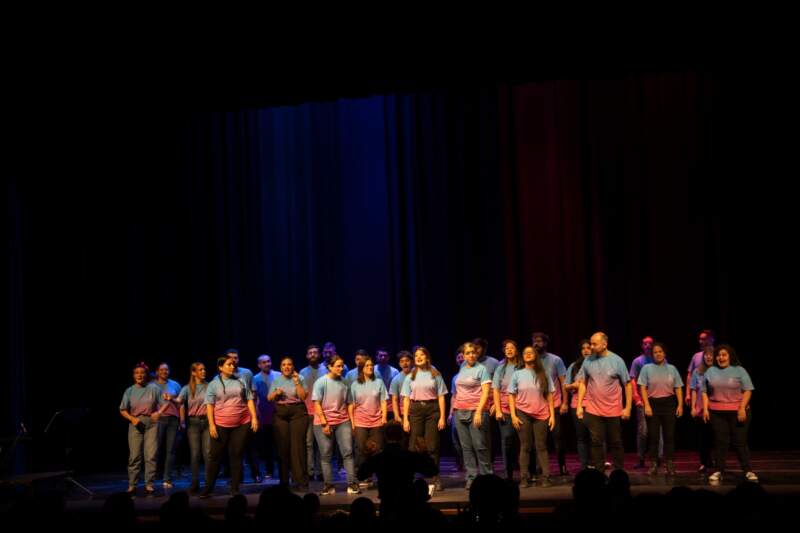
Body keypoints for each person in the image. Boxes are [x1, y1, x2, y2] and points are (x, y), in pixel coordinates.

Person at [200, 355, 258, 498]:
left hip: (241, 423)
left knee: (237, 455)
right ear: (220, 367)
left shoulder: (240, 380)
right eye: (229, 364)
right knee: (215, 457)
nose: (232, 366)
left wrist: (254, 418)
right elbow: (209, 405)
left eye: (233, 364)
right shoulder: (214, 384)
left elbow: (249, 399)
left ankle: (235, 488)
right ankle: (208, 489)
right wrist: (212, 425)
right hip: (221, 424)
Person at [357, 421, 438, 522]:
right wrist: (424, 453)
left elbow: (360, 475)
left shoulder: (379, 457)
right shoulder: (409, 456)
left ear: (385, 437)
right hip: (406, 506)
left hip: (387, 505)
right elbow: (432, 471)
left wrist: (368, 455)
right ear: (402, 437)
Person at [576, 332, 632, 471]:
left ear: (604, 344)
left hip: (613, 409)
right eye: (591, 343)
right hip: (593, 408)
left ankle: (619, 472)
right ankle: (599, 473)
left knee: (615, 442)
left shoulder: (617, 360)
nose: (591, 346)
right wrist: (579, 406)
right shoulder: (588, 360)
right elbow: (583, 383)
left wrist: (628, 407)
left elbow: (627, 384)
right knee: (596, 441)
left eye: (594, 344)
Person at [702, 344, 757, 483]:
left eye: (724, 355)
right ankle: (719, 470)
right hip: (717, 412)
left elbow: (748, 390)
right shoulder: (710, 371)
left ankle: (748, 470)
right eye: (719, 355)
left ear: (730, 356)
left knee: (740, 442)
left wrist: (742, 408)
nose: (721, 357)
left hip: (738, 412)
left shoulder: (739, 370)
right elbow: (704, 391)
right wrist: (706, 409)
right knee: (720, 442)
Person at [401, 345, 448, 491]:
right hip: (415, 411)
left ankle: (435, 477)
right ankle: (412, 476)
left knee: (432, 445)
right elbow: (406, 399)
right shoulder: (411, 375)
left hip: (432, 410)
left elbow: (441, 396)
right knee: (413, 445)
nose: (419, 358)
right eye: (416, 356)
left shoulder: (435, 373)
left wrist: (442, 417)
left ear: (427, 357)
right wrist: (405, 419)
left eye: (422, 355)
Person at [312, 355, 359, 495]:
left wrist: (352, 422)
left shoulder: (345, 382)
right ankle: (328, 485)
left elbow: (349, 403)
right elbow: (316, 404)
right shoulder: (321, 382)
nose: (341, 368)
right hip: (323, 421)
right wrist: (325, 423)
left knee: (348, 452)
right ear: (330, 367)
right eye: (338, 365)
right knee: (326, 454)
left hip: (342, 421)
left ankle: (352, 483)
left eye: (342, 365)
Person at [508, 346, 555, 487]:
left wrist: (552, 415)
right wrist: (513, 416)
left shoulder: (544, 373)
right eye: (525, 353)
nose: (528, 354)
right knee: (525, 446)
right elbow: (511, 396)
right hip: (523, 413)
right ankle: (524, 477)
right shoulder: (517, 374)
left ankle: (545, 477)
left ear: (535, 355)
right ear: (522, 357)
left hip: (541, 414)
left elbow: (550, 396)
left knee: (541, 446)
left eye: (531, 352)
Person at [119, 362, 167, 495]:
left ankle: (149, 484)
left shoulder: (154, 388)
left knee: (151, 455)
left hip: (151, 423)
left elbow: (165, 403)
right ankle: (132, 484)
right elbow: (122, 410)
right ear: (133, 375)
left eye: (142, 372)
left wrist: (158, 412)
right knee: (134, 456)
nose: (139, 375)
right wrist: (132, 418)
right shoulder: (129, 390)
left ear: (146, 374)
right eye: (136, 373)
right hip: (135, 423)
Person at [637, 342, 683, 475]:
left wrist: (680, 405)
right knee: (653, 436)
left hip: (668, 404)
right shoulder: (646, 368)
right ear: (652, 354)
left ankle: (669, 464)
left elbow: (678, 387)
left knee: (669, 436)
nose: (658, 354)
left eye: (660, 351)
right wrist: (647, 405)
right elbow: (642, 387)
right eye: (655, 352)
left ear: (665, 353)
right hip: (653, 404)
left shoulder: (672, 368)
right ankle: (654, 464)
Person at [452, 342, 492, 490]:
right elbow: (457, 392)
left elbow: (486, 392)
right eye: (468, 353)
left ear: (477, 354)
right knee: (466, 448)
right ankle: (471, 477)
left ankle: (487, 477)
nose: (471, 355)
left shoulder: (482, 369)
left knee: (480, 445)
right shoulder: (462, 368)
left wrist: (479, 411)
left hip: (476, 411)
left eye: (473, 353)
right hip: (460, 410)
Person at [268, 356, 309, 491]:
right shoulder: (277, 380)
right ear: (280, 368)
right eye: (284, 364)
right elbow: (269, 398)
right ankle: (284, 482)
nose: (287, 367)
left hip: (298, 413)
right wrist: (276, 392)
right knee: (282, 448)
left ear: (293, 366)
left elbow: (303, 397)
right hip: (281, 413)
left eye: (289, 364)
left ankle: (301, 482)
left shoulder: (300, 378)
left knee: (298, 448)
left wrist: (297, 382)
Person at [532, 332, 569, 476]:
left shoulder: (555, 360)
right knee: (538, 440)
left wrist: (565, 402)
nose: (536, 343)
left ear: (545, 344)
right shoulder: (529, 359)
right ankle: (539, 467)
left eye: (539, 341)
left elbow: (563, 381)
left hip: (554, 404)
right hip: (536, 406)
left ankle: (562, 466)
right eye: (534, 341)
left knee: (558, 437)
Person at [224, 348, 261, 482]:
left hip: (246, 415)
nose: (234, 360)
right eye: (230, 357)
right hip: (231, 416)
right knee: (235, 448)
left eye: (236, 357)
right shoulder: (222, 375)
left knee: (251, 446)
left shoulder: (246, 373)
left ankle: (256, 474)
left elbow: (254, 393)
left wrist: (254, 414)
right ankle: (237, 476)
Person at [348, 357, 388, 479]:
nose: (370, 367)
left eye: (371, 365)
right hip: (360, 421)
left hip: (376, 421)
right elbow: (351, 405)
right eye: (367, 366)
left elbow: (383, 402)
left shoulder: (379, 382)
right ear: (361, 369)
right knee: (361, 450)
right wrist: (353, 423)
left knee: (378, 449)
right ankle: (364, 476)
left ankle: (379, 475)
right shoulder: (355, 384)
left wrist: (384, 417)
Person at [173, 362, 210, 493]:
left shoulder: (209, 386)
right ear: (194, 373)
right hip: (193, 423)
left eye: (204, 369)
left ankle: (208, 484)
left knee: (207, 454)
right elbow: (180, 402)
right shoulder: (187, 388)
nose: (204, 371)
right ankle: (195, 484)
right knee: (195, 455)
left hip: (207, 422)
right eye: (200, 370)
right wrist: (171, 399)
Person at [492, 339, 521, 480]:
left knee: (525, 441)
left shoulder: (522, 366)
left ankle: (528, 472)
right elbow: (496, 390)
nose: (509, 350)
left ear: (516, 350)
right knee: (507, 439)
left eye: (512, 347)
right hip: (505, 408)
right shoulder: (500, 368)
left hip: (523, 408)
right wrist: (498, 409)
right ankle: (508, 473)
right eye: (506, 348)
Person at [153, 362, 182, 488]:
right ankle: (153, 475)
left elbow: (181, 404)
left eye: (166, 370)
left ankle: (167, 479)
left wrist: (182, 421)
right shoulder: (152, 385)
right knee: (155, 449)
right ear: (157, 372)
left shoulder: (175, 384)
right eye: (162, 370)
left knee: (171, 450)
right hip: (158, 421)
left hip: (173, 420)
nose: (164, 372)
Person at [565, 340, 592, 471]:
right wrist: (574, 385)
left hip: (595, 404)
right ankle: (584, 465)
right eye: (583, 348)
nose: (586, 350)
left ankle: (597, 463)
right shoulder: (574, 366)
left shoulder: (597, 364)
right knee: (582, 437)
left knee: (596, 436)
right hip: (578, 404)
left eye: (588, 348)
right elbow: (566, 386)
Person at [253, 354, 280, 480]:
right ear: (259, 365)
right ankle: (269, 470)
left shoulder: (279, 375)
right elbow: (255, 399)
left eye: (268, 361)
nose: (267, 364)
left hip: (279, 415)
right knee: (267, 446)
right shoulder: (255, 379)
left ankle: (284, 470)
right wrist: (257, 416)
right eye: (263, 362)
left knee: (281, 445)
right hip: (265, 416)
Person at [299, 345, 324, 480]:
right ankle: (309, 471)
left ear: (319, 354)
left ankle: (320, 472)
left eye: (315, 352)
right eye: (310, 353)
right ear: (307, 356)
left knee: (321, 444)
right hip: (307, 412)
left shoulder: (326, 370)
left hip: (321, 413)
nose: (313, 355)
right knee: (308, 443)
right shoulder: (302, 372)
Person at [689, 348, 715, 473]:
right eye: (706, 355)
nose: (708, 357)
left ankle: (712, 459)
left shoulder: (719, 371)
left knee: (714, 437)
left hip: (715, 409)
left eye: (711, 355)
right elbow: (693, 389)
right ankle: (703, 462)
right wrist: (693, 407)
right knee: (703, 437)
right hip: (700, 409)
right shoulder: (697, 371)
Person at [389, 350, 413, 451]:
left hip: (417, 412)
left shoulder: (417, 374)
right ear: (399, 364)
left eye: (407, 360)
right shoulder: (396, 379)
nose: (405, 363)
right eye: (402, 361)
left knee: (415, 439)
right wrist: (397, 415)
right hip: (404, 414)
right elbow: (394, 399)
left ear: (411, 362)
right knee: (404, 440)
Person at [686, 330, 715, 406]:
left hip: (715, 396)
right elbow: (690, 375)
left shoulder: (719, 355)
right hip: (699, 398)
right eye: (700, 339)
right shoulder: (696, 356)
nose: (700, 341)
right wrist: (688, 394)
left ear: (711, 339)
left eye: (704, 339)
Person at [448, 348, 465, 471]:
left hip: (470, 409)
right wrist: (450, 413)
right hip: (456, 411)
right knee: (455, 439)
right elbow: (453, 396)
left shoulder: (476, 372)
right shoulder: (455, 377)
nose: (460, 359)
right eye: (458, 357)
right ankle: (461, 461)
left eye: (462, 356)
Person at [374, 348, 399, 419]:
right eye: (381, 355)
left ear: (388, 357)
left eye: (385, 356)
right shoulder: (371, 370)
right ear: (377, 357)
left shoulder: (395, 371)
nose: (383, 357)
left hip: (390, 405)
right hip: (375, 405)